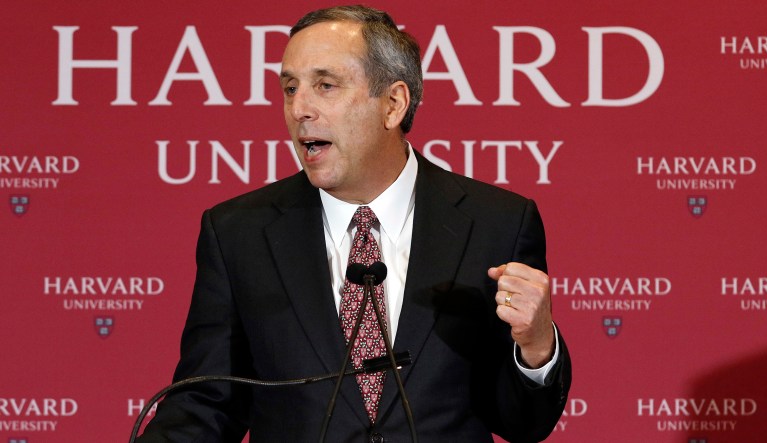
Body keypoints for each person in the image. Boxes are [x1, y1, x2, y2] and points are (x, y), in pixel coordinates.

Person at [139, 5, 571, 442]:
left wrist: (536, 348)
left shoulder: (497, 223)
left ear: (393, 104)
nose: (299, 108)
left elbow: (524, 423)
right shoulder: (238, 233)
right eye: (290, 88)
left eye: (325, 85)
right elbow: (207, 403)